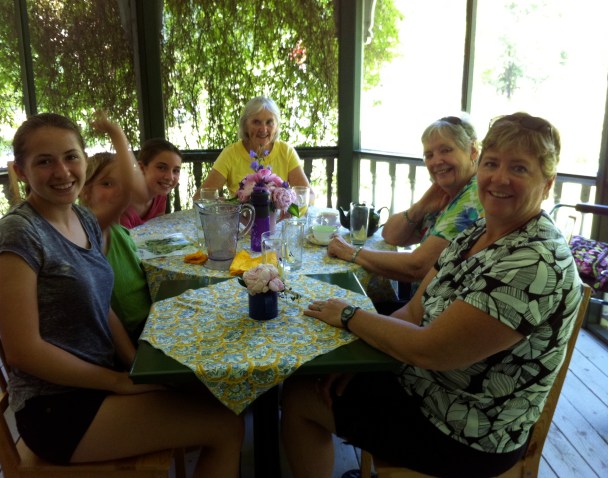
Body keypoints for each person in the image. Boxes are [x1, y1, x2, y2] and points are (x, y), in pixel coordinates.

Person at [281, 112, 584, 478]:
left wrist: (348, 315)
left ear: (547, 183)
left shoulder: (534, 261)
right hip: (424, 386)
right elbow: (412, 311)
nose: (500, 178)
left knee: (300, 397)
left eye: (519, 169)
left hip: (466, 431)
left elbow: (430, 349)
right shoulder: (478, 232)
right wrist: (359, 363)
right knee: (310, 381)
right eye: (492, 163)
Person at [0, 112, 243, 476]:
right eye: (44, 161)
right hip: (57, 407)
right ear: (21, 170)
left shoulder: (82, 218)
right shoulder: (18, 233)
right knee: (226, 426)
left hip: (98, 378)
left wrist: (135, 365)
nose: (62, 172)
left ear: (83, 160)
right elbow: (23, 350)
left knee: (213, 394)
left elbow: (100, 303)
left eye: (70, 157)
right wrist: (119, 382)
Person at [328, 115, 483, 300]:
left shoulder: (473, 197)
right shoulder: (448, 193)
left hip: (436, 318)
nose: (436, 161)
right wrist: (421, 206)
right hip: (419, 306)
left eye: (446, 150)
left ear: (473, 151)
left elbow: (418, 266)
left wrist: (350, 252)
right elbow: (391, 235)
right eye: (429, 155)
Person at [80, 111, 152, 344]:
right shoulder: (90, 232)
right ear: (85, 191)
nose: (118, 190)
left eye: (120, 183)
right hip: (131, 336)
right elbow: (137, 190)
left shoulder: (118, 230)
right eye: (107, 184)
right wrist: (116, 132)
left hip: (150, 321)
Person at [194, 95, 311, 200]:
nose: (263, 129)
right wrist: (225, 206)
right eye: (256, 122)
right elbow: (200, 198)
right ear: (245, 125)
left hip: (278, 222)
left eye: (269, 122)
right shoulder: (230, 153)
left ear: (276, 126)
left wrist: (287, 204)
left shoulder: (286, 151)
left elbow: (308, 195)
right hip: (242, 222)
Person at [120, 137, 182, 228]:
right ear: (141, 168)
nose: (170, 177)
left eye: (176, 170)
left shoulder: (160, 195)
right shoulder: (121, 204)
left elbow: (158, 229)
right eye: (161, 167)